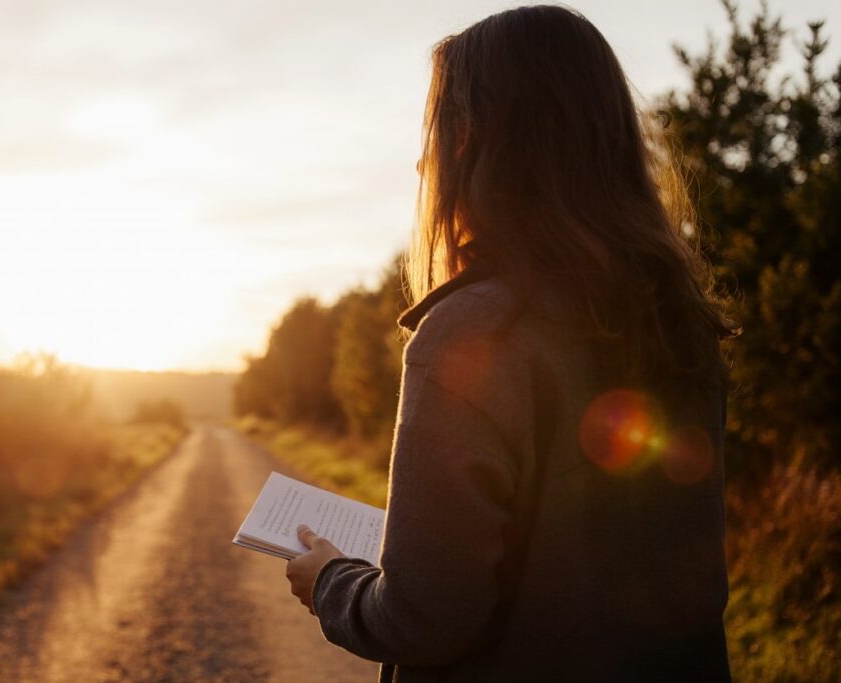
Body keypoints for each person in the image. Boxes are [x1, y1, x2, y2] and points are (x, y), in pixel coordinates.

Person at [284, 5, 737, 682]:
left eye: (434, 132)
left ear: (470, 140)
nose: (419, 161)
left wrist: (329, 579)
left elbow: (423, 617)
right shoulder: (676, 316)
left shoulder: (473, 332)